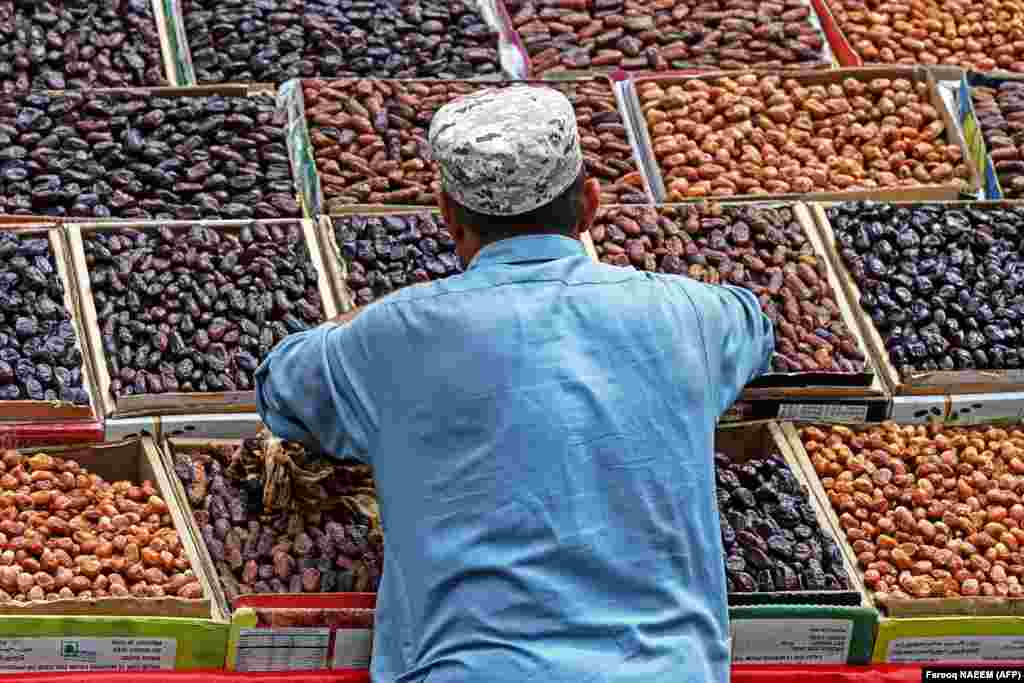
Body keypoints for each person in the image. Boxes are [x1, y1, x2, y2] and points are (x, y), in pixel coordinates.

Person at [256, 85, 774, 683]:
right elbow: (755, 322)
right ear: (590, 205)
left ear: (448, 216)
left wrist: (365, 322)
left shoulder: (397, 334)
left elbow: (281, 388)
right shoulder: (691, 315)